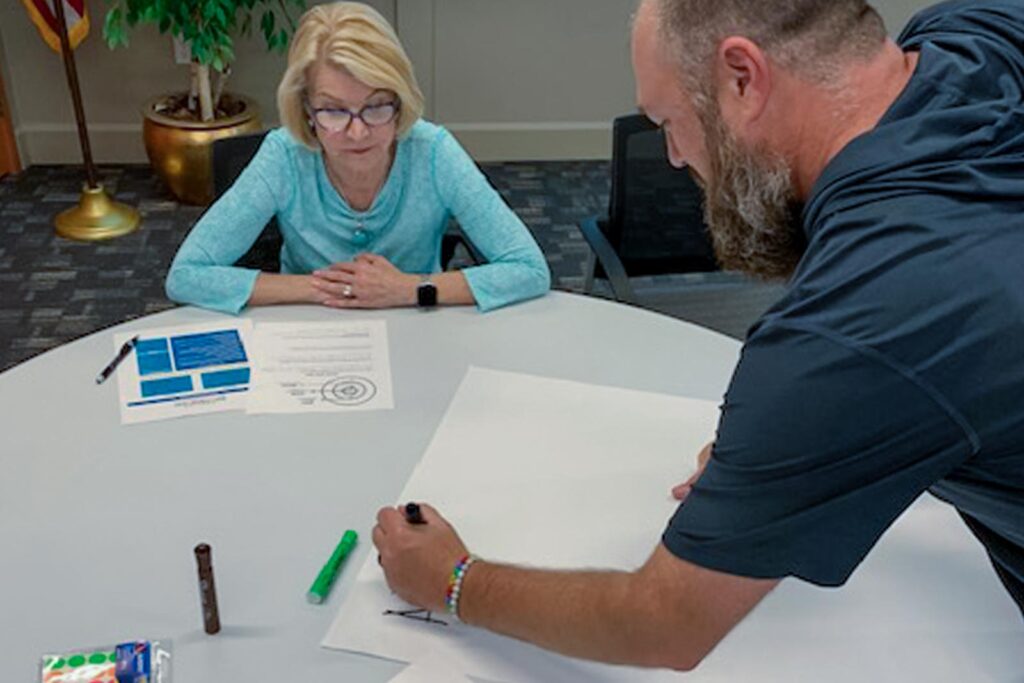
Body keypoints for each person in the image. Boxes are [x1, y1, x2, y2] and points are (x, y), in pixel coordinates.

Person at [373, 0, 1024, 671]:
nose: (676, 156)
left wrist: (452, 579)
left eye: (669, 123)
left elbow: (660, 623)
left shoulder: (852, 327)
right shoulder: (979, 32)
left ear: (743, 76)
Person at [165, 2, 550, 315]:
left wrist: (412, 288)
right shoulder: (284, 156)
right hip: (306, 330)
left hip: (418, 327)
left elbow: (529, 270)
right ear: (307, 111)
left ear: (400, 102)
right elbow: (186, 275)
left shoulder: (434, 151)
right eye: (334, 111)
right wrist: (322, 287)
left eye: (376, 107)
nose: (358, 132)